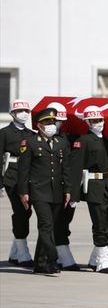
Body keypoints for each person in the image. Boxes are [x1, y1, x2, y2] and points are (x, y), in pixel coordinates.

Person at [69, 105, 108, 274]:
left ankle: (95, 257)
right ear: (88, 122)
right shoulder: (82, 141)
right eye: (94, 121)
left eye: (100, 120)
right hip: (95, 185)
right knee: (100, 223)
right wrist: (74, 194)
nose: (98, 123)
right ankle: (103, 261)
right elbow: (75, 169)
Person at [16, 108, 71, 274]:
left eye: (53, 122)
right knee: (46, 224)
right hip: (38, 190)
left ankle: (40, 263)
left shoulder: (62, 142)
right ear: (39, 125)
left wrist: (68, 189)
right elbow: (23, 170)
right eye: (47, 122)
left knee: (49, 227)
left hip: (56, 191)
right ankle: (53, 258)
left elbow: (66, 168)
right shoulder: (30, 143)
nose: (51, 125)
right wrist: (23, 192)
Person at [0, 99, 35, 267]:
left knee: (26, 212)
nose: (24, 114)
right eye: (20, 110)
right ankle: (22, 252)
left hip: (29, 175)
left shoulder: (32, 134)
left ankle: (15, 252)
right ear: (12, 113)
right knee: (21, 210)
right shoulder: (4, 133)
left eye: (26, 111)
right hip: (12, 175)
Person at [48, 101, 81, 271]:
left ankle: (59, 254)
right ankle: (58, 256)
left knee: (64, 220)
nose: (57, 124)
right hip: (47, 187)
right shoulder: (40, 139)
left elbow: (73, 167)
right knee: (51, 223)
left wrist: (74, 191)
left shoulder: (72, 139)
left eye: (60, 120)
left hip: (68, 186)